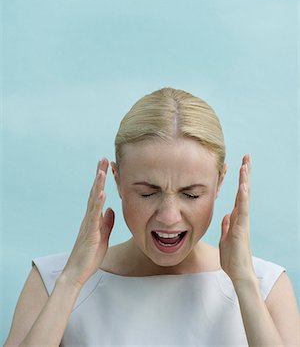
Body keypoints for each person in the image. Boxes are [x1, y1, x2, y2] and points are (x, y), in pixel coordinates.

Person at [4, 87, 299, 347]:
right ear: (117, 180)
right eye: (147, 193)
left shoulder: (265, 285)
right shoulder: (51, 280)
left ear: (220, 182)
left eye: (191, 194)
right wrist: (70, 282)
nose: (169, 218)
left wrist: (244, 282)